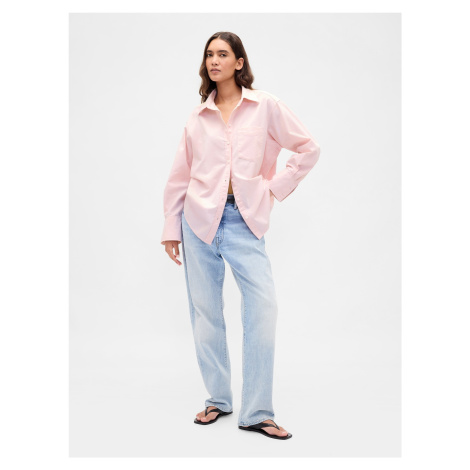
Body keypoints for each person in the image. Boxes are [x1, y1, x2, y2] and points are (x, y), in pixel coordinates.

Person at [161, 32, 320, 440]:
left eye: (222, 54)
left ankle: (257, 412)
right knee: (205, 315)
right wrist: (170, 228)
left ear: (239, 62)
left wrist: (273, 189)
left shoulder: (265, 106)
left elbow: (308, 148)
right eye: (209, 55)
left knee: (263, 308)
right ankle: (218, 399)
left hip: (244, 222)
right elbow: (180, 176)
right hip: (197, 223)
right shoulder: (198, 117)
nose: (214, 61)